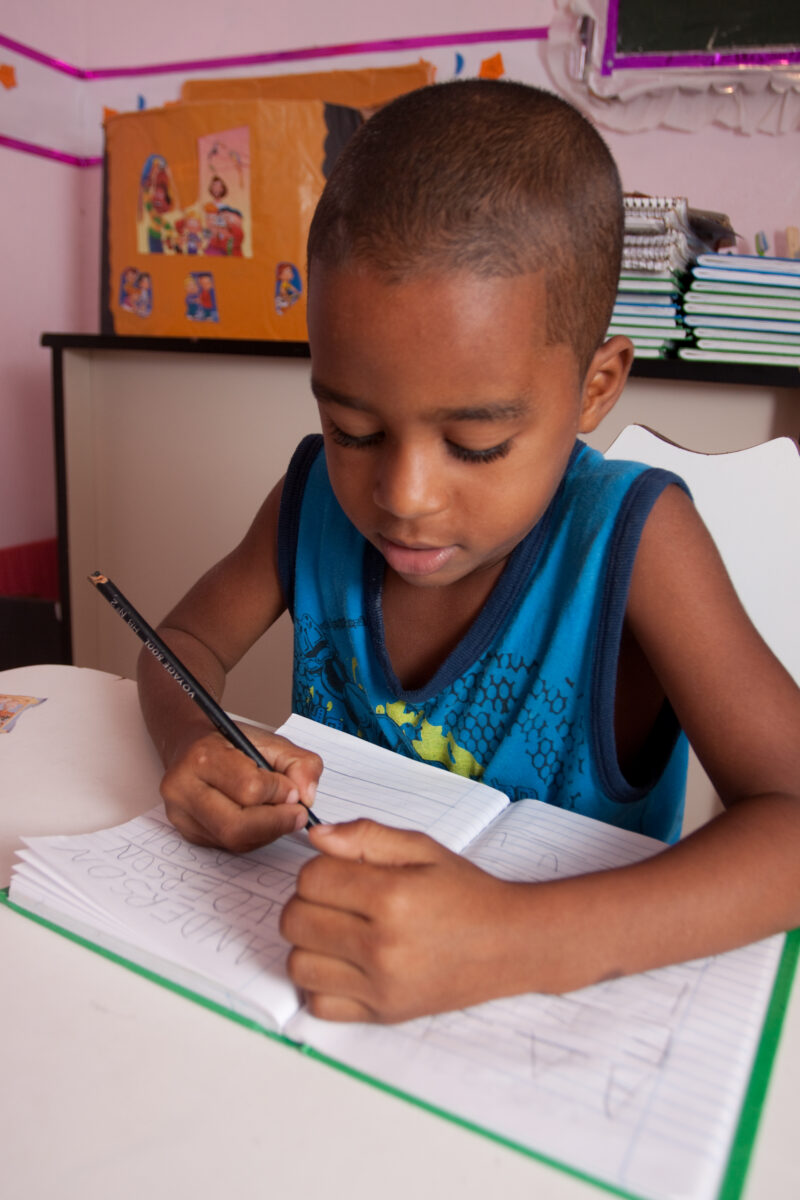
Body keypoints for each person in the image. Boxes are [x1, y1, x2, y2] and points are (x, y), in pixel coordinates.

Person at [138, 80, 800, 1024]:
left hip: (556, 1049)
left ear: (594, 388)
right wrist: (195, 738)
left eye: (477, 445)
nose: (402, 498)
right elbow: (175, 644)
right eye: (353, 427)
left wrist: (516, 939)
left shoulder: (634, 542)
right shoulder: (313, 503)